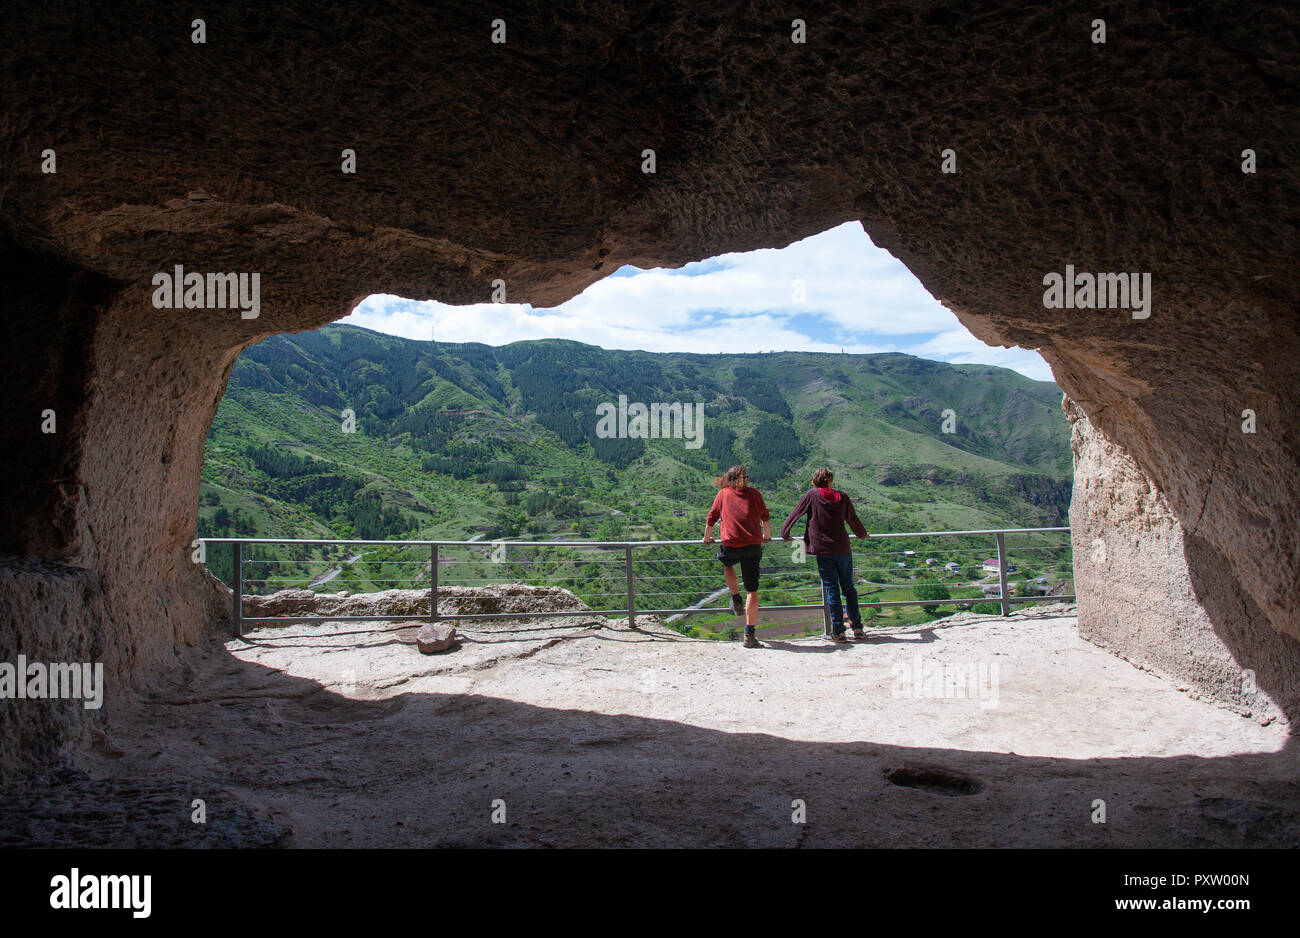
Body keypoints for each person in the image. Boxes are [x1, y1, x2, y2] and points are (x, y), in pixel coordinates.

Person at [781, 467, 869, 643]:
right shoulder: (842, 496)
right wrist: (861, 534)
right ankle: (857, 628)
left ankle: (838, 631)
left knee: (832, 589)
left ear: (815, 481)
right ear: (830, 480)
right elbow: (852, 518)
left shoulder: (812, 496)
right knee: (849, 588)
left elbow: (795, 514)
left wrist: (785, 532)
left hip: (823, 550)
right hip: (843, 548)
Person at [703, 465, 770, 648]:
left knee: (727, 564)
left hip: (731, 543)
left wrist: (707, 537)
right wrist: (766, 536)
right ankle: (749, 633)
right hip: (753, 545)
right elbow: (765, 516)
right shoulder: (755, 494)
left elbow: (712, 517)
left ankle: (735, 596)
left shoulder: (723, 494)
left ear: (729, 479)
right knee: (752, 590)